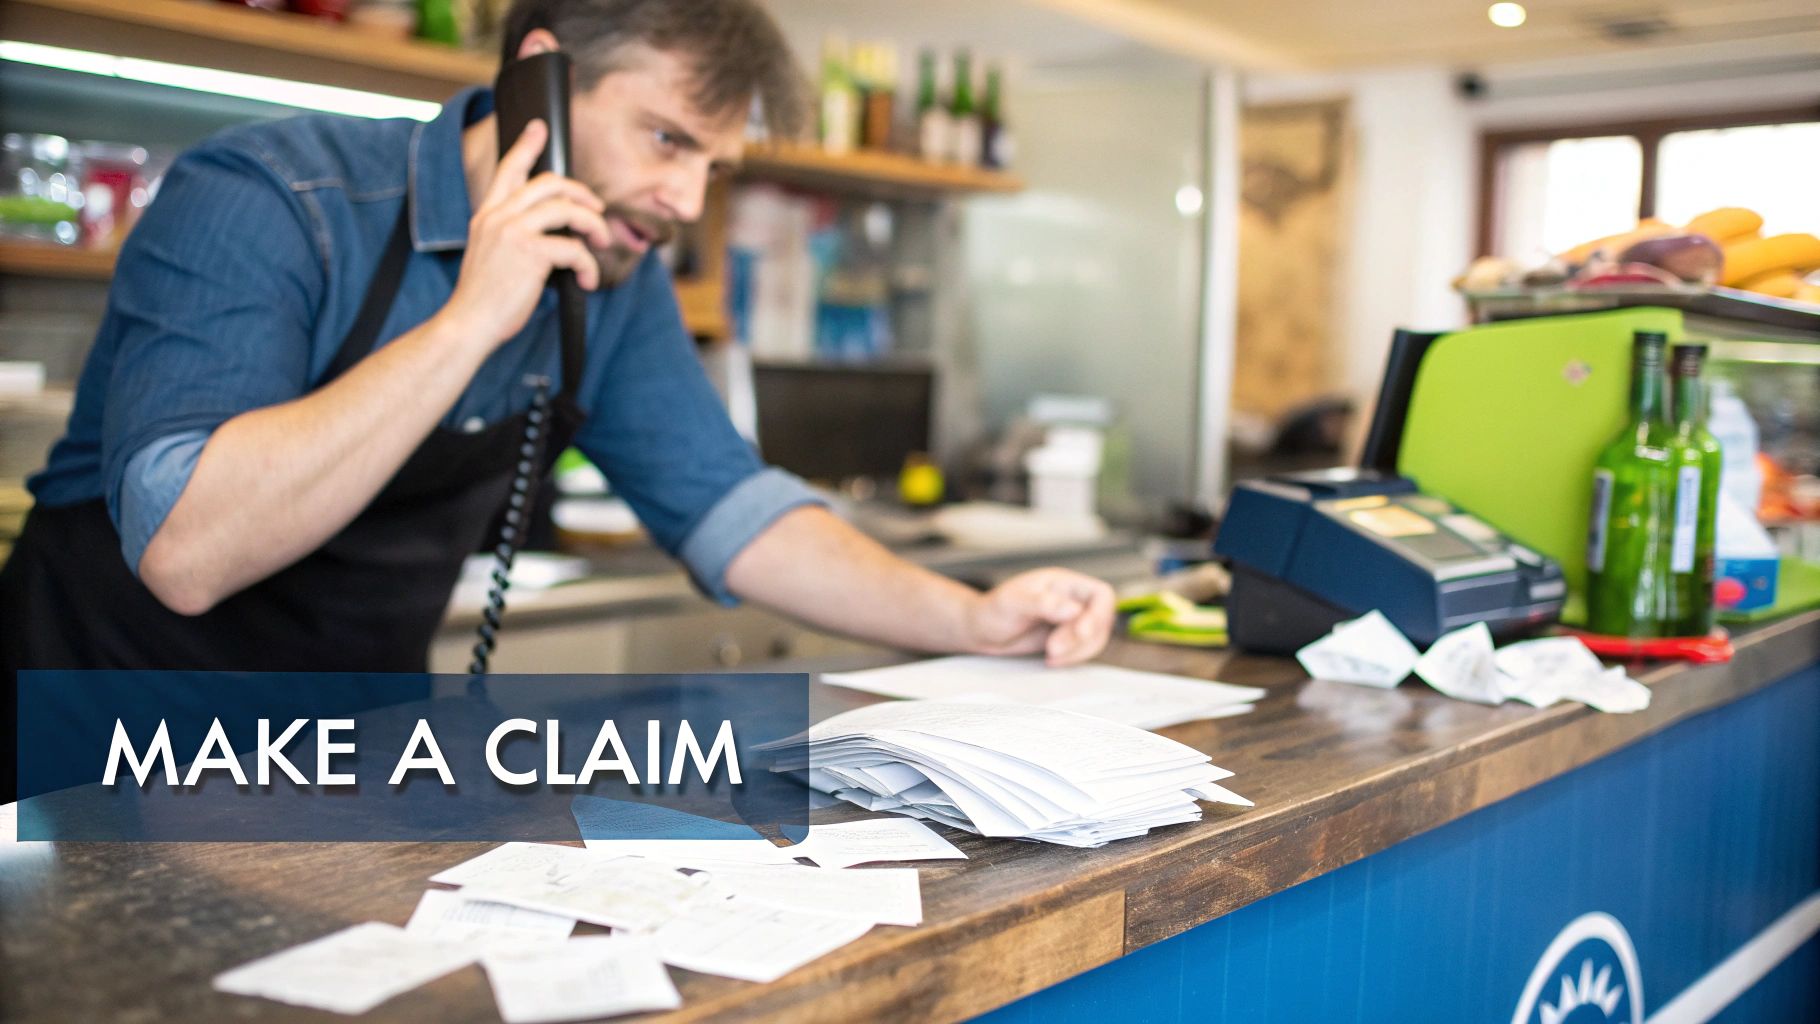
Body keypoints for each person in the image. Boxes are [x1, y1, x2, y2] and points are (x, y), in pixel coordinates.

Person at [0, 0, 1115, 799]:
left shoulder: (613, 279)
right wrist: (471, 318)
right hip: (100, 740)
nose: (682, 200)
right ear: (540, 73)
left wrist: (970, 617)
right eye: (667, 139)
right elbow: (187, 549)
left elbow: (731, 507)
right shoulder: (269, 200)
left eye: (712, 168)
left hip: (347, 750)